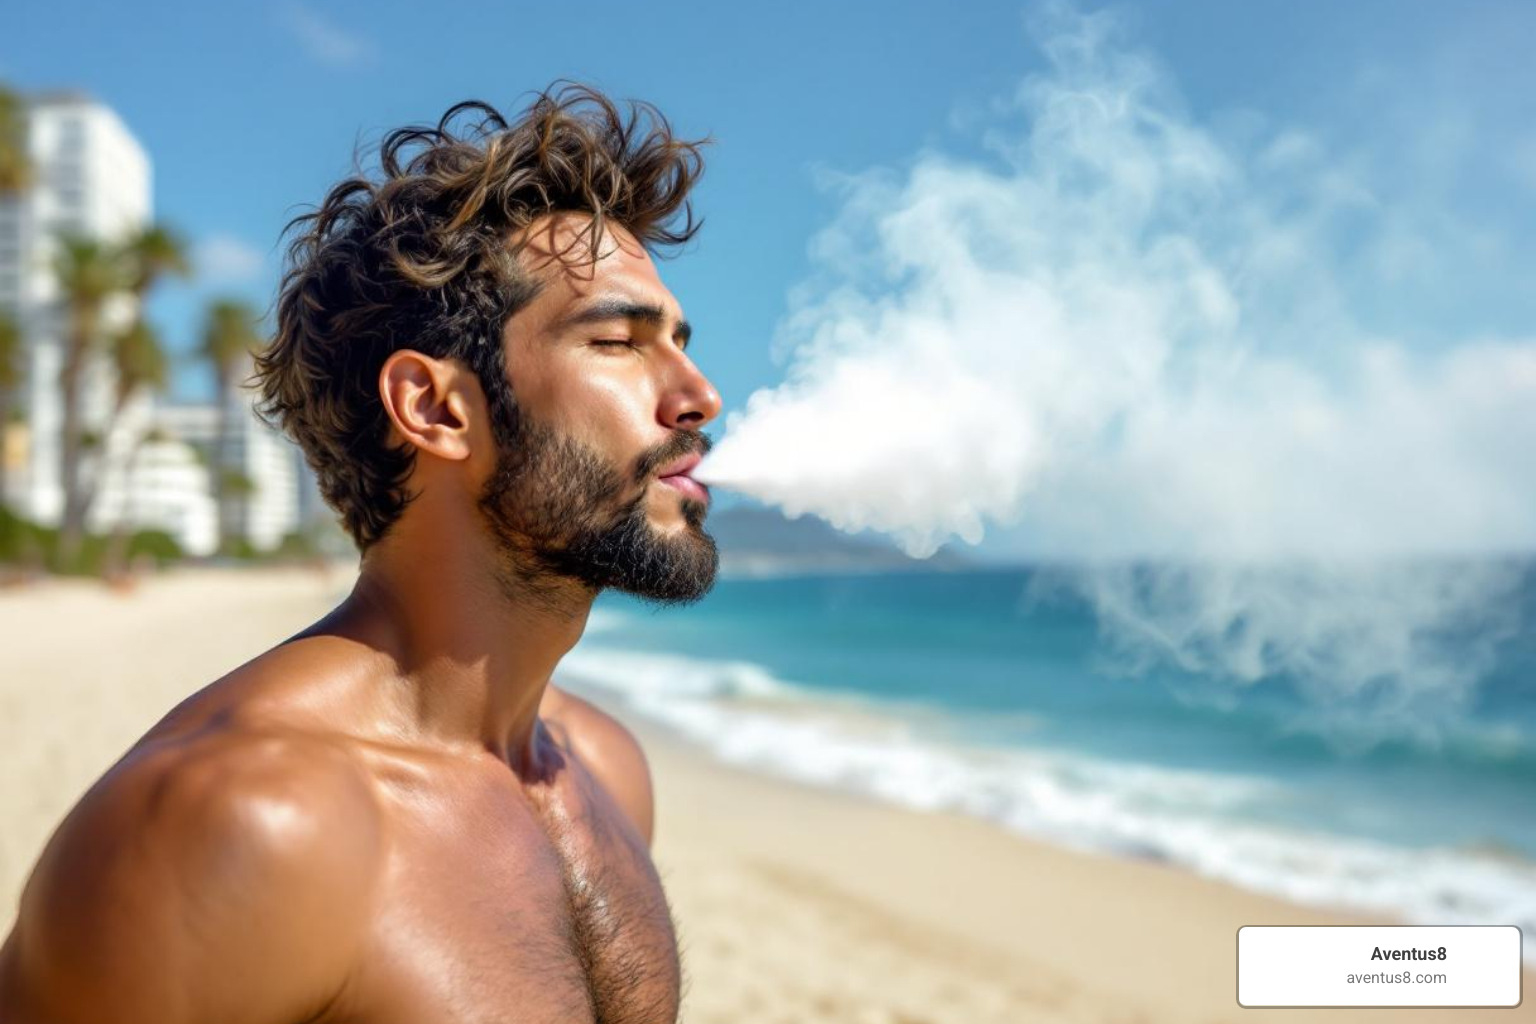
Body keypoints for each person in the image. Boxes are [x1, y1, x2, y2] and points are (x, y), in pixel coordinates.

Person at [0, 83, 722, 1024]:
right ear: (435, 408)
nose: (700, 396)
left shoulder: (606, 769)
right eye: (619, 341)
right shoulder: (237, 823)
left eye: (681, 344)